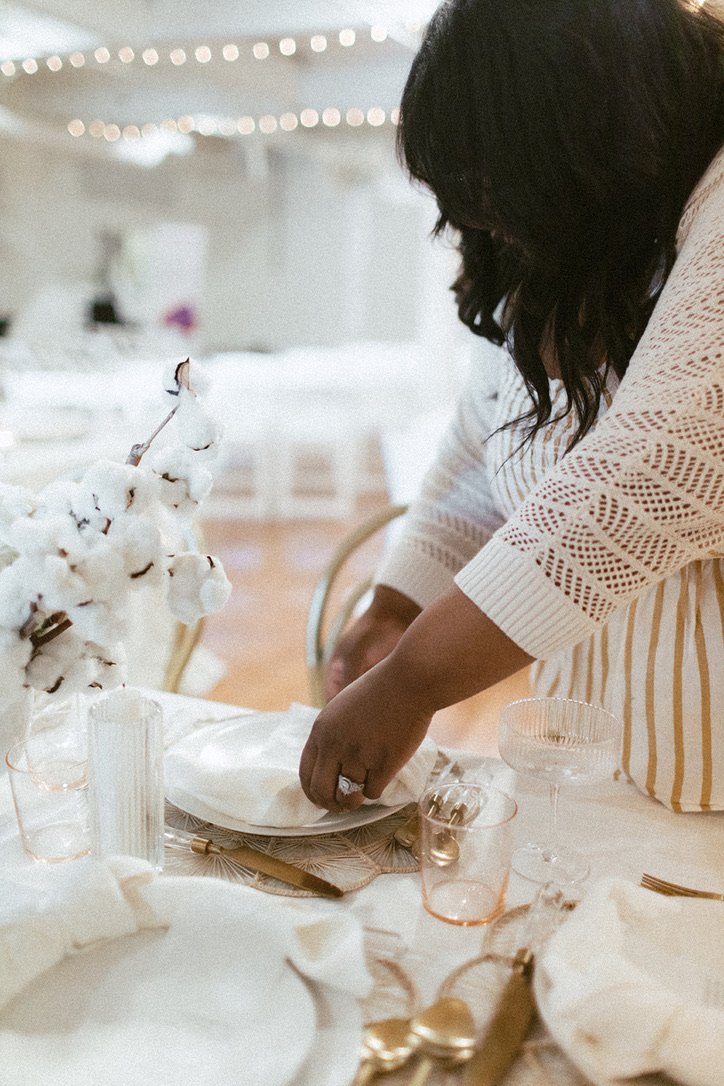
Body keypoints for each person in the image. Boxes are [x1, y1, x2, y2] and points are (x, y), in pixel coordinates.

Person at [299, 0, 724, 815]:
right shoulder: (571, 248)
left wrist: (415, 679)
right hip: (588, 779)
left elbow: (652, 468)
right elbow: (481, 450)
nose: (484, 217)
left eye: (499, 184)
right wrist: (395, 607)